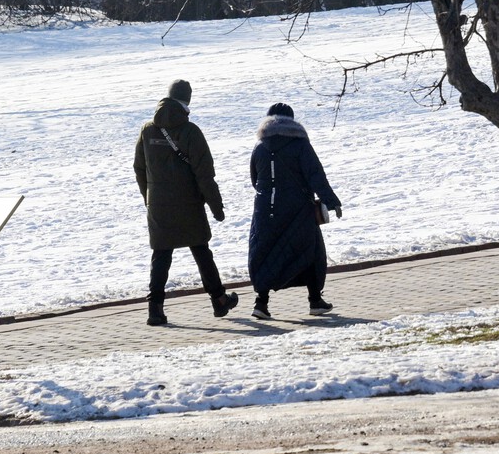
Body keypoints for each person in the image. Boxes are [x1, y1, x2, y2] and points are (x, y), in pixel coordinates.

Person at [133, 79, 239, 325]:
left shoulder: (147, 130)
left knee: (161, 254)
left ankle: (155, 310)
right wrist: (216, 205)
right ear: (187, 102)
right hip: (188, 203)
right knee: (201, 250)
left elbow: (139, 168)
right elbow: (204, 173)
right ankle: (219, 299)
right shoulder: (191, 131)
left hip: (158, 205)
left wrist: (149, 198)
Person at [247, 102, 343, 319]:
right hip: (298, 210)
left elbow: (255, 180)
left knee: (265, 255)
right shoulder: (300, 144)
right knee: (310, 252)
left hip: (265, 212)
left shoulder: (260, 146)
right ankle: (315, 301)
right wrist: (330, 200)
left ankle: (260, 304)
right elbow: (315, 174)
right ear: (291, 120)